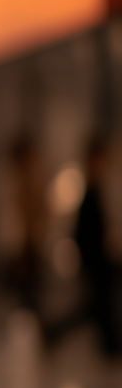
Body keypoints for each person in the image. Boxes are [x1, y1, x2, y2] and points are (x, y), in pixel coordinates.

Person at [75, 136, 120, 354]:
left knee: (97, 307)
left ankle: (111, 345)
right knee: (95, 307)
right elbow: (83, 235)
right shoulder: (90, 194)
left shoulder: (101, 190)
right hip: (97, 262)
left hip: (102, 260)